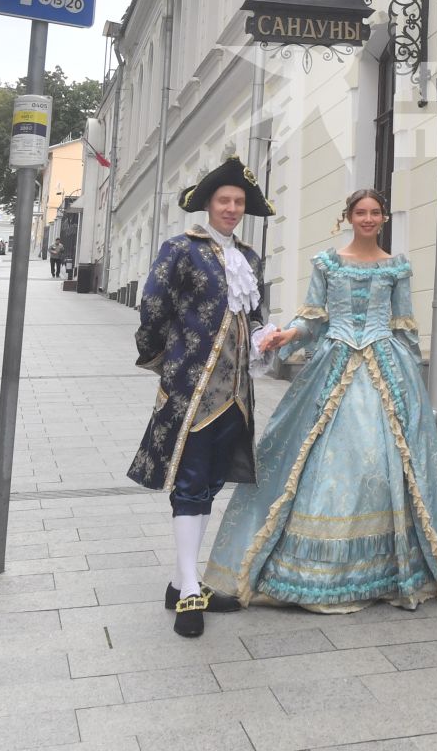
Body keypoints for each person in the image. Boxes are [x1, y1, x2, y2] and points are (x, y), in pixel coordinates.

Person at [203, 189, 437, 615]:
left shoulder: (396, 266)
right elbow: (313, 319)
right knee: (321, 459)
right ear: (348, 216)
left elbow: (404, 325)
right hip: (335, 363)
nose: (367, 218)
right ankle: (313, 571)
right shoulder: (327, 263)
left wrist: (411, 382)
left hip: (385, 366)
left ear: (383, 218)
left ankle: (384, 567)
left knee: (376, 464)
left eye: (374, 212)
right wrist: (288, 335)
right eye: (360, 212)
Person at [128, 155, 272, 638]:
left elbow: (251, 317)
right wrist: (164, 364)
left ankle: (181, 579)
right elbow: (153, 306)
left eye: (238, 202)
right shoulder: (180, 250)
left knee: (209, 480)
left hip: (235, 393)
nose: (231, 208)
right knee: (189, 481)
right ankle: (191, 587)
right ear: (208, 205)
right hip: (193, 388)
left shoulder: (249, 258)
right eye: (223, 201)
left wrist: (264, 338)